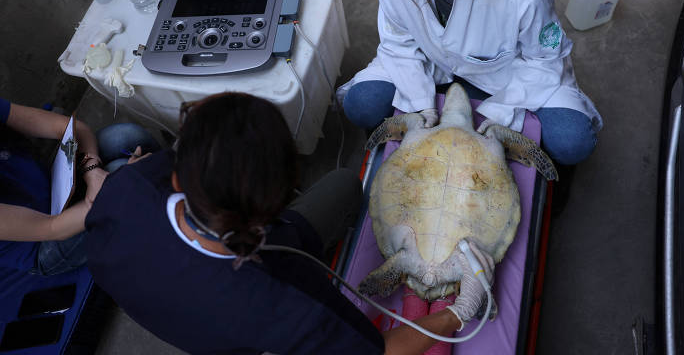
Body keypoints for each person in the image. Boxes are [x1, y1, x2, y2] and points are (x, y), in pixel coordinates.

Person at [85, 92, 494, 355]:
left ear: (176, 175)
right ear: (278, 204)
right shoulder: (288, 300)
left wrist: (124, 174)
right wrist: (459, 311)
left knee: (122, 141)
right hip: (248, 306)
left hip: (184, 318)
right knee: (343, 187)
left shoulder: (128, 189)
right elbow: (382, 351)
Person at [338, 0, 603, 166]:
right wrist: (421, 103)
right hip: (434, 64)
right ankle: (390, 146)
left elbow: (545, 60)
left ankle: (549, 181)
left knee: (572, 141)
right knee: (362, 104)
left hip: (508, 79)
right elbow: (398, 43)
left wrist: (499, 113)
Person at [0, 97, 157, 275]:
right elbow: (52, 228)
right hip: (43, 243)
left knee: (127, 136)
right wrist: (111, 189)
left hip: (58, 187)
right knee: (124, 176)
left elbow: (71, 128)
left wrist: (93, 172)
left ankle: (166, 187)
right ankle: (172, 221)